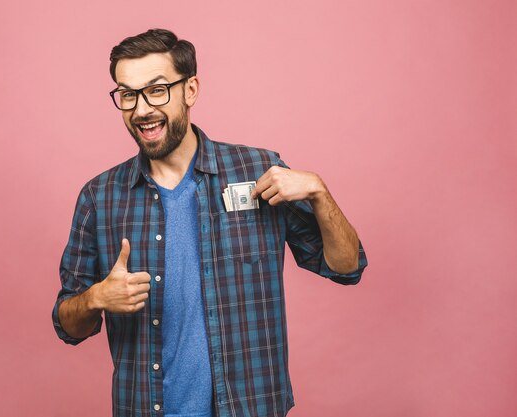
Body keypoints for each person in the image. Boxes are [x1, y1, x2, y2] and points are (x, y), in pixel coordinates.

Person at [52, 28, 368, 417]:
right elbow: (68, 324)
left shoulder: (257, 171)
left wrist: (321, 193)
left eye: (157, 90)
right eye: (128, 94)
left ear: (191, 90)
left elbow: (346, 267)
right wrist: (97, 298)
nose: (141, 110)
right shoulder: (100, 198)